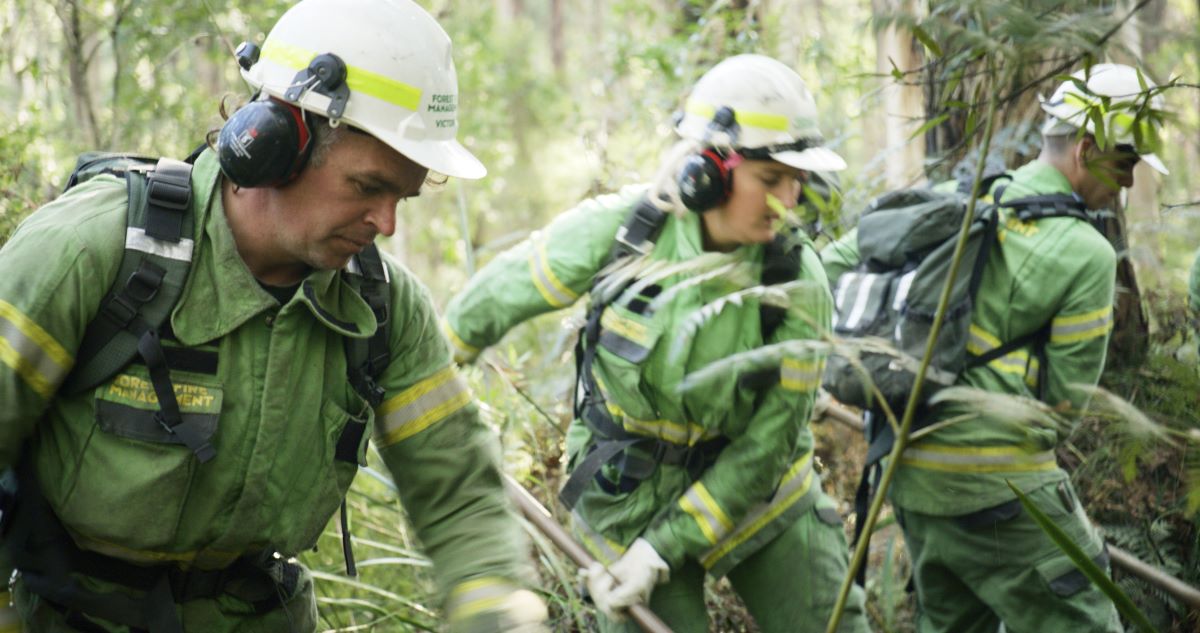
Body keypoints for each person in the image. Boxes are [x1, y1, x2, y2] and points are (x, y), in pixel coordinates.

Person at [0, 1, 547, 631]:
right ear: (276, 143)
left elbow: (458, 493)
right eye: (369, 187)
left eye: (403, 196)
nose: (388, 224)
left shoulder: (383, 309)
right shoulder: (93, 249)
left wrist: (492, 610)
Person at [442, 54, 869, 633]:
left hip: (759, 488)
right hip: (627, 496)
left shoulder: (797, 281)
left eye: (796, 182)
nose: (788, 202)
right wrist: (429, 373)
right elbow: (493, 298)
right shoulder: (623, 235)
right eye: (770, 180)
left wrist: (667, 546)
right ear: (708, 170)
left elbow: (768, 444)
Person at [821, 62, 1169, 633]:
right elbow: (1063, 405)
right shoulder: (1088, 253)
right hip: (1002, 490)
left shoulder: (955, 203)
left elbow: (828, 266)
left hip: (908, 477)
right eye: (1126, 162)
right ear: (1086, 148)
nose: (1129, 182)